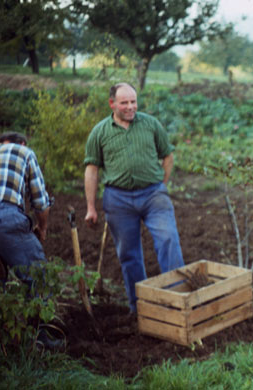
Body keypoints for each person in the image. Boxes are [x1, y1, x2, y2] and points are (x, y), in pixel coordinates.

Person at [84, 82, 185, 313]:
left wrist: (162, 185)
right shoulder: (100, 132)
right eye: (124, 103)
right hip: (118, 200)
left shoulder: (151, 124)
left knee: (168, 239)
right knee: (129, 255)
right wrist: (91, 207)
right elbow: (92, 169)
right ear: (112, 104)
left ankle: (179, 302)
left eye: (133, 102)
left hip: (153, 196)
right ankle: (140, 309)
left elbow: (167, 156)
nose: (130, 107)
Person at [0, 132, 60, 348]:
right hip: (5, 215)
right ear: (22, 143)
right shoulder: (24, 152)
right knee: (38, 274)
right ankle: (40, 339)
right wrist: (41, 228)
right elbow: (40, 201)